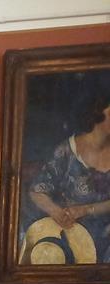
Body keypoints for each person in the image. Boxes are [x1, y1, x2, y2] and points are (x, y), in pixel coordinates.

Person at [24, 92, 110, 264]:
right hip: (73, 235)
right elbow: (37, 191)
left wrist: (86, 209)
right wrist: (56, 212)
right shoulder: (67, 151)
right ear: (97, 113)